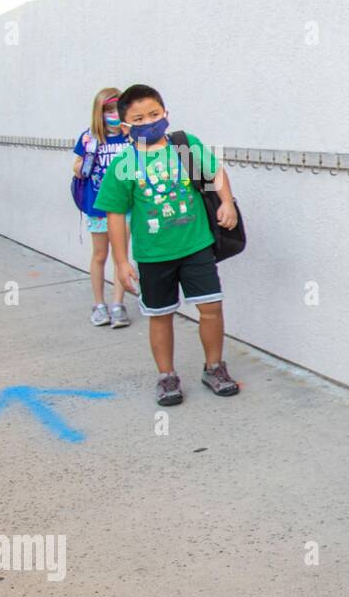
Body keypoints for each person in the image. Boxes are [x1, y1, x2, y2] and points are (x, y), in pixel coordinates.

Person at [95, 84, 242, 406]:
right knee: (160, 315)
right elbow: (116, 216)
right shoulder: (123, 165)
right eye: (139, 118)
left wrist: (226, 202)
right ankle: (166, 376)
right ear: (125, 126)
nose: (149, 121)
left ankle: (214, 368)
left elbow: (214, 174)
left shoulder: (183, 147)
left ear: (165, 114)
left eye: (154, 114)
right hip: (153, 255)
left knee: (211, 309)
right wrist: (121, 263)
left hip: (196, 246)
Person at [72, 88, 133, 328]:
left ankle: (118, 305)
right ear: (99, 112)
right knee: (99, 255)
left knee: (121, 257)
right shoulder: (90, 137)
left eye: (117, 109)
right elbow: (76, 166)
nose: (114, 114)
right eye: (108, 110)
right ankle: (99, 305)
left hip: (125, 207)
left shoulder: (130, 138)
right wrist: (86, 160)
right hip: (98, 207)